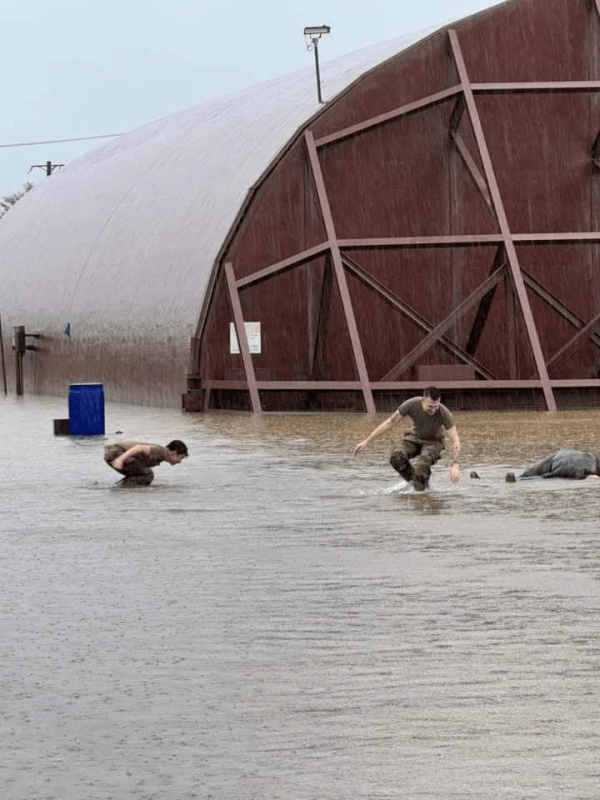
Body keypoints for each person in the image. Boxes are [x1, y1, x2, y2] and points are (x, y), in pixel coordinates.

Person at [353, 386, 460, 491]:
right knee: (396, 457)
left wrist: (455, 465)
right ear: (423, 400)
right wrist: (367, 440)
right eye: (430, 406)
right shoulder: (411, 404)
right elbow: (390, 422)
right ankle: (417, 483)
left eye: (436, 406)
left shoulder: (444, 413)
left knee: (421, 466)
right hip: (413, 439)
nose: (433, 410)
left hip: (434, 442)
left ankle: (420, 489)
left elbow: (455, 441)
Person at [104, 439, 188, 486]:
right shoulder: (160, 452)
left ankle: (123, 489)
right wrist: (120, 460)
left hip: (113, 452)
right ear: (174, 453)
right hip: (115, 452)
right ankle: (123, 488)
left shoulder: (161, 454)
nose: (180, 461)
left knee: (142, 472)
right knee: (148, 474)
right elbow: (140, 448)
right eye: (181, 457)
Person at [510, 448, 600, 481]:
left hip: (562, 456)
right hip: (576, 465)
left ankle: (519, 478)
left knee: (532, 473)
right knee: (545, 477)